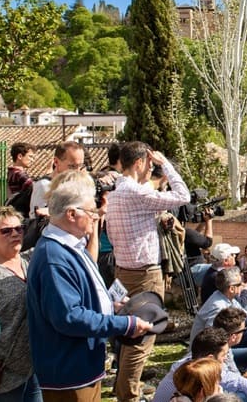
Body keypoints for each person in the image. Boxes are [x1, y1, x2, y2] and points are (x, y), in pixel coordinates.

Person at [26, 171, 152, 401]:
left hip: (81, 367)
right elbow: (69, 317)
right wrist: (125, 324)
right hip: (68, 372)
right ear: (72, 214)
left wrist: (109, 305)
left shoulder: (70, 246)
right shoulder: (54, 256)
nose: (96, 217)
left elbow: (79, 297)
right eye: (92, 211)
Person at [106, 141, 190, 402]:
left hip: (122, 269)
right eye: (149, 164)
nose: (151, 168)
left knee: (125, 332)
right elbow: (183, 196)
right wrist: (166, 164)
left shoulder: (118, 190)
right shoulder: (136, 194)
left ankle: (124, 388)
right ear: (140, 162)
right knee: (142, 339)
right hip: (144, 273)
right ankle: (128, 395)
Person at [153, 326, 247, 402]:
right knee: (239, 397)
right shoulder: (201, 374)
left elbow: (240, 382)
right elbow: (244, 387)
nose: (219, 388)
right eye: (224, 355)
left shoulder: (191, 365)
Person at [0, 206, 41, 402]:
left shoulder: (31, 259)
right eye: (6, 230)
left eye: (19, 228)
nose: (15, 233)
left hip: (36, 367)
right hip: (5, 376)